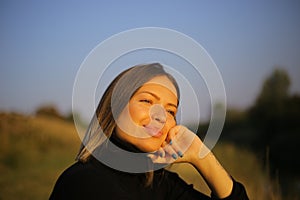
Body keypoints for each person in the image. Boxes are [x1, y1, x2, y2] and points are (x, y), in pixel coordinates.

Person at [49, 63, 249, 199]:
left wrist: (201, 156)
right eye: (146, 100)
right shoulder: (84, 182)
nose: (161, 115)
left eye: (171, 111)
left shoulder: (163, 184)